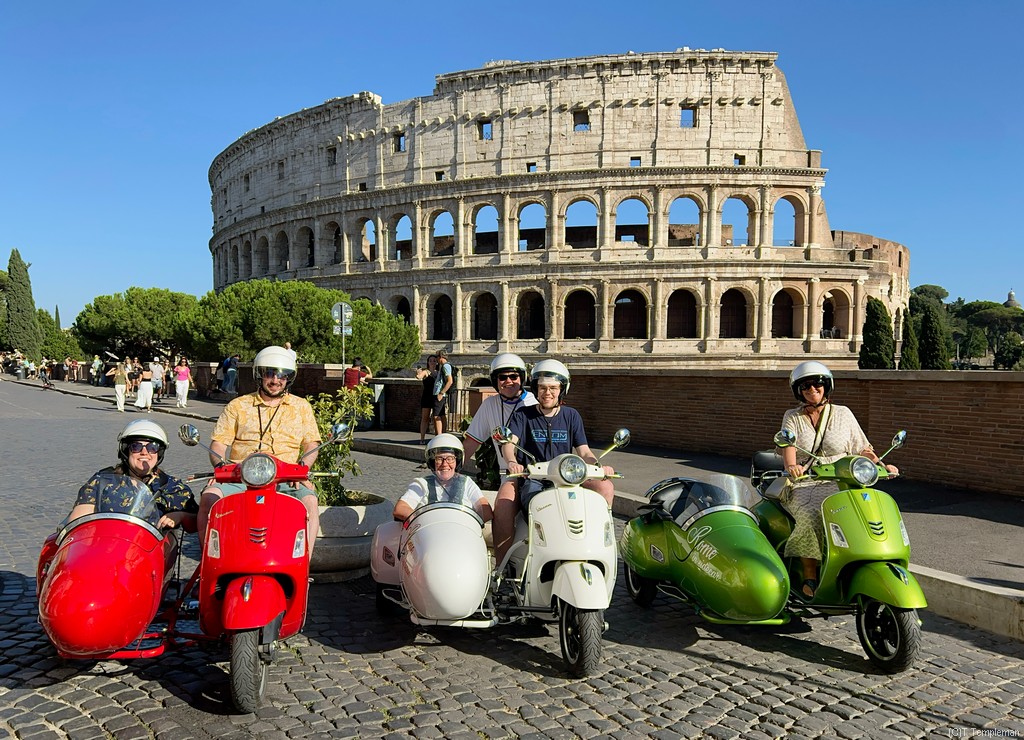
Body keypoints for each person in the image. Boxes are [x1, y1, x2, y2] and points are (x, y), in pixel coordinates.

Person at [779, 361, 900, 599]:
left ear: (826, 386)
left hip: (843, 479)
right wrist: (792, 467)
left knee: (864, 509)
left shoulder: (843, 413)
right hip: (807, 481)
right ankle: (810, 576)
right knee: (810, 514)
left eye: (817, 384)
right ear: (798, 390)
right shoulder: (792, 417)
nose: (811, 389)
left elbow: (863, 448)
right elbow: (788, 447)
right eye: (805, 386)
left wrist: (882, 465)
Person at [197, 345, 322, 553]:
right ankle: (208, 560)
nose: (275, 381)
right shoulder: (237, 406)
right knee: (209, 498)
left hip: (286, 475)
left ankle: (303, 568)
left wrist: (302, 469)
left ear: (289, 379)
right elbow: (218, 443)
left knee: (309, 502)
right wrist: (220, 467)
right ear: (259, 375)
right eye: (270, 374)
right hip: (240, 475)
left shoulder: (301, 407)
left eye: (282, 376)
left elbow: (312, 444)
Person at [495, 359, 615, 566]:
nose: (547, 393)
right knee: (504, 504)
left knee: (605, 486)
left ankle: (598, 543)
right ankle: (502, 566)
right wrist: (513, 461)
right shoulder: (523, 414)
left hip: (565, 476)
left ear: (562, 389)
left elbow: (584, 450)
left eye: (553, 388)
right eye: (542, 388)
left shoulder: (571, 416)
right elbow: (509, 444)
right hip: (530, 475)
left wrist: (597, 466)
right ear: (535, 389)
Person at [67, 419, 198, 531]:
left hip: (150, 555)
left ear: (160, 453)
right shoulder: (102, 481)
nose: (145, 452)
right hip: (106, 547)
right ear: (125, 450)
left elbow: (197, 522)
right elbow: (79, 520)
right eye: (136, 446)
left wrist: (180, 516)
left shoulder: (172, 487)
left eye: (153, 447)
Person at [463, 352, 537, 475]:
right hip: (507, 474)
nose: (508, 381)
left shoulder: (534, 402)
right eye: (502, 377)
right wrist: (452, 470)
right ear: (495, 380)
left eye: (514, 376)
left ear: (522, 378)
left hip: (535, 474)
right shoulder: (489, 405)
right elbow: (471, 443)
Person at [393, 434, 493, 524]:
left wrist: (468, 524)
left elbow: (486, 511)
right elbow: (400, 509)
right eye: (439, 459)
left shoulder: (467, 483)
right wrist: (423, 521)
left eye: (450, 458)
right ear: (432, 462)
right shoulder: (422, 484)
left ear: (457, 461)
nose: (445, 464)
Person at [414, 355, 438, 444]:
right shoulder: (426, 372)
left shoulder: (438, 372)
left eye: (434, 360)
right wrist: (418, 373)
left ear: (437, 362)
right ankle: (422, 438)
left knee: (436, 418)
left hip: (436, 397)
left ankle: (437, 437)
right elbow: (419, 376)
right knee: (425, 418)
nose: (432, 362)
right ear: (428, 362)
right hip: (427, 396)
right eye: (430, 360)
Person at [430, 350, 454, 436]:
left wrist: (441, 393)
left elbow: (450, 381)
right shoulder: (444, 366)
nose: (436, 359)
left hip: (439, 394)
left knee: (436, 416)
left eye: (436, 357)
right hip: (440, 393)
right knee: (441, 414)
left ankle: (439, 435)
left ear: (440, 357)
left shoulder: (445, 366)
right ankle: (442, 434)